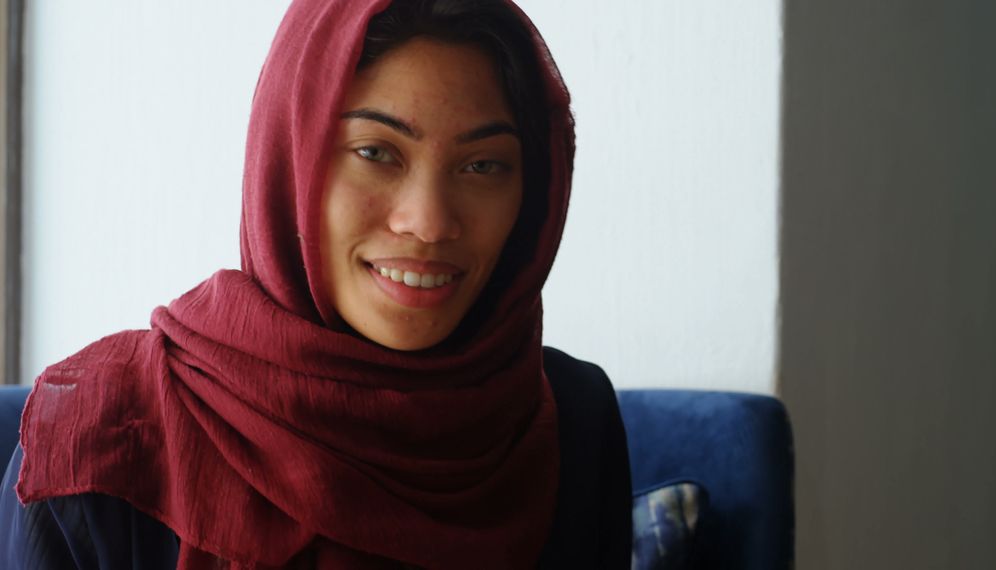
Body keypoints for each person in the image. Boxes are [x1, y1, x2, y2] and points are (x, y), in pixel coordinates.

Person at [0, 0, 631, 567]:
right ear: (287, 161)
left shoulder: (567, 421)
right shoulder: (101, 433)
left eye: (484, 164)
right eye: (376, 152)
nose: (431, 222)